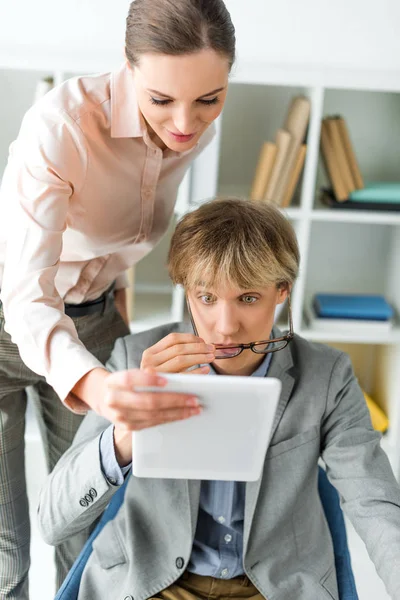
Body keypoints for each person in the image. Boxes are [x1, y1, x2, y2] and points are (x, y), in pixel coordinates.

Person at [38, 198, 400, 600]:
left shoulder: (327, 376)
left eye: (247, 298)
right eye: (207, 298)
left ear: (282, 291)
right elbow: (52, 521)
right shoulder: (133, 358)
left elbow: (376, 503)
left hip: (275, 585)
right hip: (152, 583)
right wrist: (127, 432)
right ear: (187, 292)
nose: (225, 329)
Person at [0, 1, 235, 596]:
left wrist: (117, 310)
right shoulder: (61, 128)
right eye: (162, 100)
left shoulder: (191, 130)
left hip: (95, 317)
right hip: (12, 319)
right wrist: (100, 387)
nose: (185, 123)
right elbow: (29, 295)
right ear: (127, 69)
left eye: (208, 100)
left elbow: (120, 234)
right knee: (6, 551)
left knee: (85, 521)